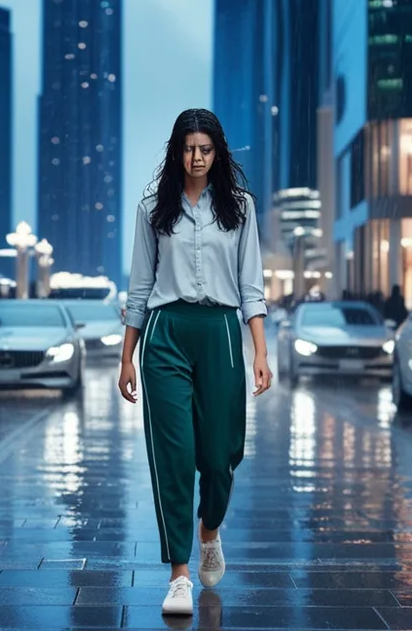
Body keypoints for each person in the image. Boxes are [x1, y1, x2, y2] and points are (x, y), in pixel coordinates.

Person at [117, 108, 271, 617]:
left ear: (218, 152)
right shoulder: (152, 208)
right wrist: (127, 357)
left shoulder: (242, 208)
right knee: (174, 457)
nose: (197, 157)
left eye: (205, 149)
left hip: (223, 334)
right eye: (188, 148)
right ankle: (178, 574)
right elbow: (140, 286)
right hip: (166, 335)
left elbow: (251, 287)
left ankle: (210, 531)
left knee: (222, 455)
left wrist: (261, 353)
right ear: (176, 151)